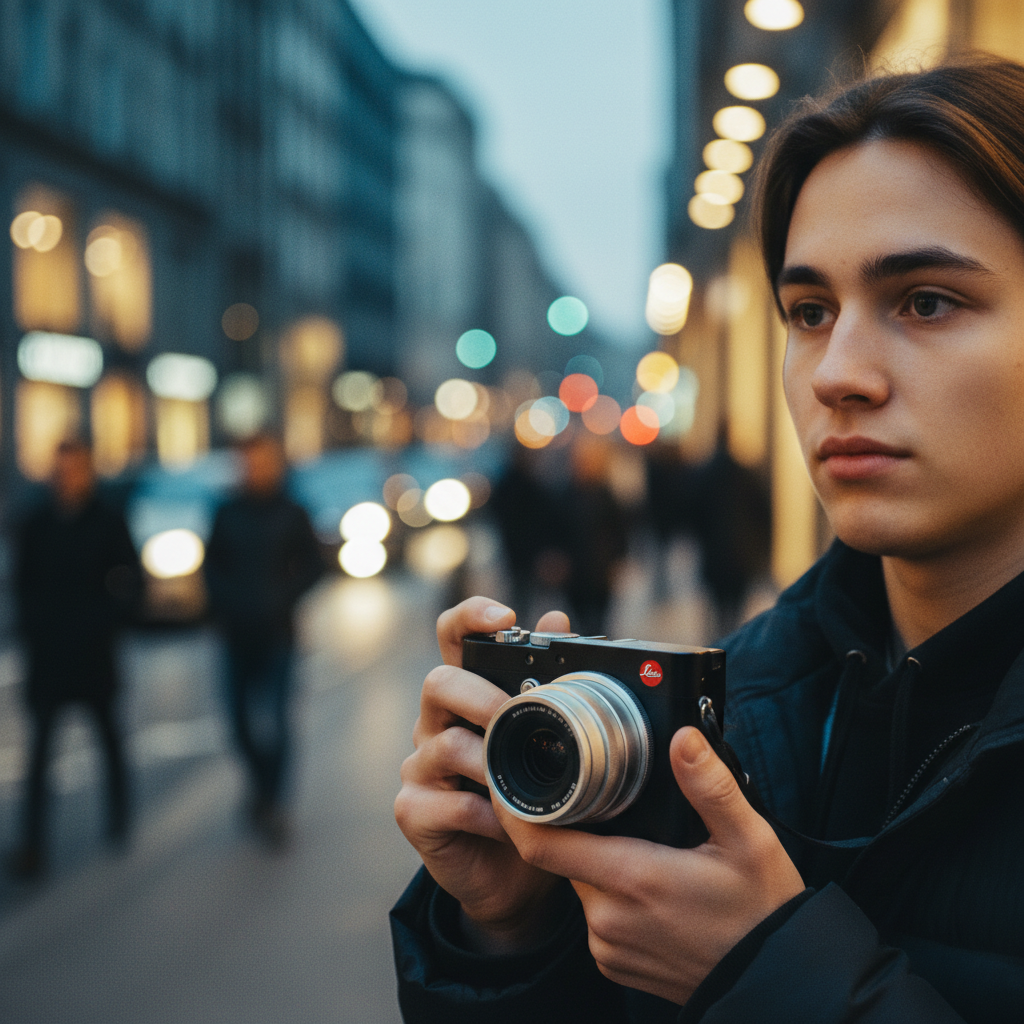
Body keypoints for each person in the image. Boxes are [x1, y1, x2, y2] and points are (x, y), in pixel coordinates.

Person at [390, 54, 1024, 1022]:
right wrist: (509, 934)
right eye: (808, 312)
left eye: (924, 301)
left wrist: (766, 971)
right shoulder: (735, 706)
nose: (835, 373)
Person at [7, 439, 141, 880]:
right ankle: (34, 847)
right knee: (41, 756)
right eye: (61, 469)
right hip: (48, 657)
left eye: (75, 469)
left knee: (108, 740)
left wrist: (106, 620)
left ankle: (120, 822)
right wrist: (33, 631)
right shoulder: (38, 522)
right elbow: (22, 585)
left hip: (93, 655)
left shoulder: (106, 519)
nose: (67, 478)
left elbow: (131, 581)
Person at [204, 434, 323, 846]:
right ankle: (259, 787)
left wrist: (282, 596)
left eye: (263, 460)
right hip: (236, 635)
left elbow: (314, 564)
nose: (255, 468)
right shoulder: (225, 511)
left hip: (277, 635)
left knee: (275, 723)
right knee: (238, 726)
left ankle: (274, 804)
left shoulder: (292, 511)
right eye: (249, 461)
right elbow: (211, 565)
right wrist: (222, 601)